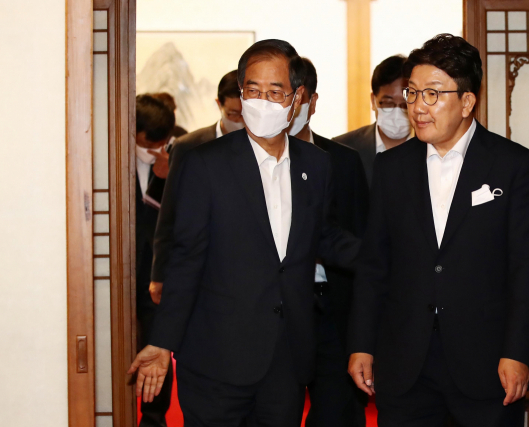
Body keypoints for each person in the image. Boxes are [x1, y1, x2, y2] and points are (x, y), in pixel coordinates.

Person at [128, 39, 360, 427]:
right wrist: (161, 340)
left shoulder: (316, 165)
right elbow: (186, 257)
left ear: (296, 98)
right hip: (216, 357)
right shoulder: (205, 164)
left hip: (285, 357)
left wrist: (385, 256)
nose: (262, 102)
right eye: (253, 91)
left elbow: (324, 236)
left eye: (275, 92)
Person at [347, 34, 529, 427]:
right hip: (405, 361)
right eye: (413, 93)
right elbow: (374, 265)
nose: (418, 106)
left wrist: (517, 351)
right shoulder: (392, 167)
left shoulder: (513, 165)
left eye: (432, 94)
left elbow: (524, 268)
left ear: (467, 102)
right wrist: (362, 344)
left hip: (487, 362)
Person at [287, 58, 369, 427]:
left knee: (336, 413)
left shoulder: (343, 160)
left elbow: (357, 235)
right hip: (280, 311)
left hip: (334, 309)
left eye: (299, 98)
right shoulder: (247, 163)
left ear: (313, 101)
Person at [149, 70, 244, 304]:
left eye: (245, 115)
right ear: (219, 105)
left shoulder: (264, 145)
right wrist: (159, 274)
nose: (239, 121)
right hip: (199, 266)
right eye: (232, 114)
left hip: (246, 265)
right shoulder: (189, 147)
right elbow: (169, 212)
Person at [134, 94, 176, 427]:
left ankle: (154, 418)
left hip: (155, 272)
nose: (153, 150)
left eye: (160, 144)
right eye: (148, 144)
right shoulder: (109, 151)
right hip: (119, 270)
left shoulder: (177, 156)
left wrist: (164, 179)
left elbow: (171, 221)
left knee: (156, 343)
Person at [333, 55, 411, 184]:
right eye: (388, 103)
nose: (397, 113)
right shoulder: (343, 148)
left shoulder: (430, 149)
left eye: (405, 105)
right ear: (373, 101)